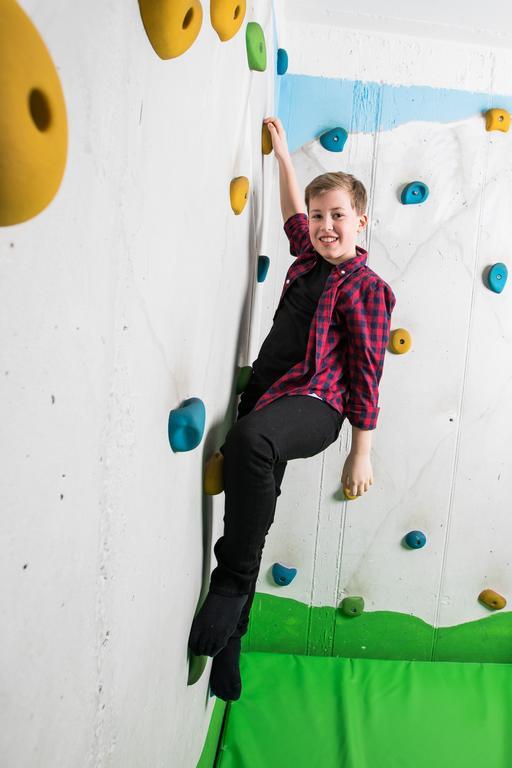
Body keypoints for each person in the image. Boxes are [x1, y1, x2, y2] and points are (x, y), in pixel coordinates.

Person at [188, 116, 396, 701]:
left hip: (317, 402)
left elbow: (367, 376)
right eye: (320, 215)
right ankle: (233, 641)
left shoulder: (366, 288)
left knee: (251, 443)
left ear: (361, 221)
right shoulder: (307, 253)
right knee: (254, 509)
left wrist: (361, 452)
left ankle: (228, 586)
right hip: (268, 396)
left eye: (338, 216)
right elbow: (290, 214)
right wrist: (283, 158)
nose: (326, 226)